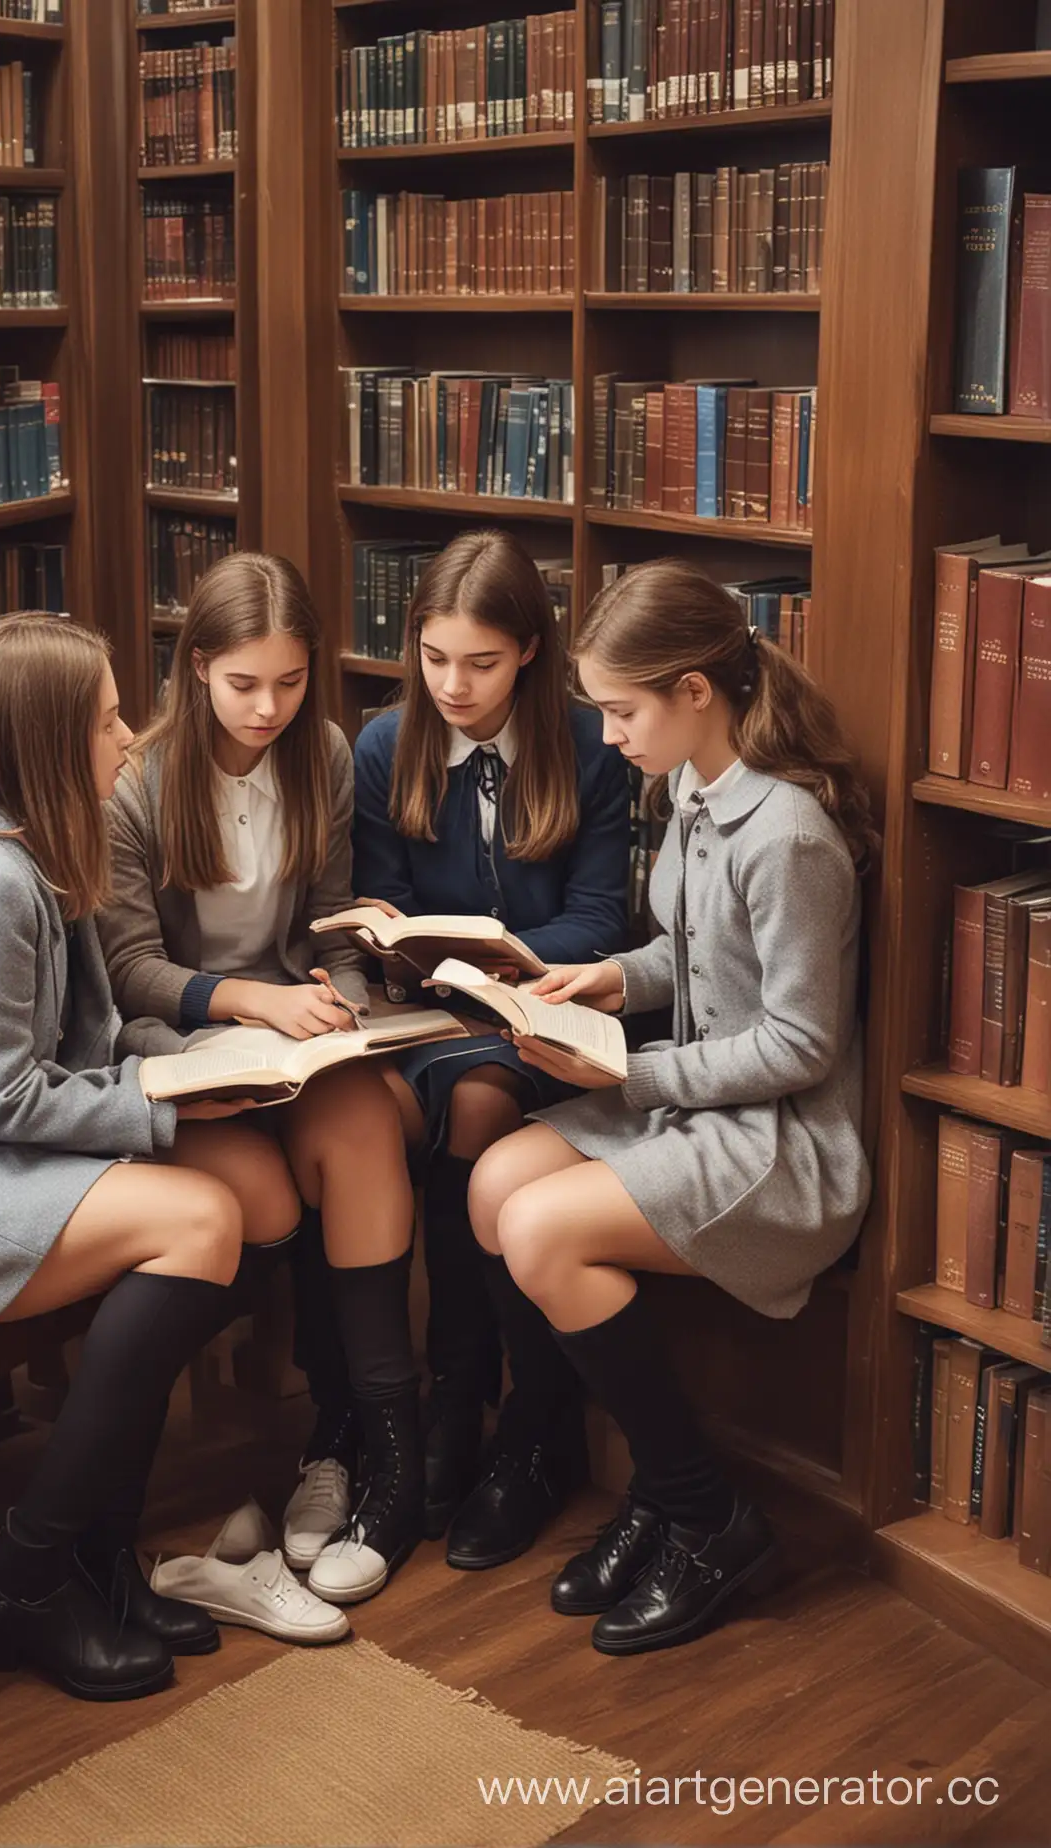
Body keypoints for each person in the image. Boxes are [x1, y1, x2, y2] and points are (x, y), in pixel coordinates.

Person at [0, 614, 301, 1701]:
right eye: (109, 720)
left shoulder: (44, 843)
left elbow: (94, 1037)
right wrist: (165, 1111)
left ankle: (97, 1560)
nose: (131, 737)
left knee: (250, 1194)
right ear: (43, 740)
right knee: (199, 1221)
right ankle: (26, 1576)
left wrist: (212, 1065)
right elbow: (1, 1096)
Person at [468, 557, 875, 1655]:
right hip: (702, 1107)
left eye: (621, 710)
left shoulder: (787, 836)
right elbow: (690, 955)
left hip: (781, 1145)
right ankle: (643, 1481)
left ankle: (701, 1514)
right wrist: (610, 981)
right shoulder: (694, 787)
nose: (608, 737)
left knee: (541, 1229)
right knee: (494, 1180)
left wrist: (630, 1077)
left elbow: (799, 1042)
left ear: (696, 691)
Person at [98, 553, 423, 1605]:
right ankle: (333, 1441)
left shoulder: (321, 753)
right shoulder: (139, 782)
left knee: (367, 1123)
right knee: (290, 1187)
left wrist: (350, 1010)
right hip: (186, 1044)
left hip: (294, 1029)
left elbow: (325, 920)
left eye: (289, 682)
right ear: (197, 669)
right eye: (244, 684)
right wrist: (254, 1005)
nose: (269, 708)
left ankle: (377, 1456)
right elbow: (129, 966)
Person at [352, 529, 632, 1566]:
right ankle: (465, 1407)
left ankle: (481, 1409)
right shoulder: (386, 747)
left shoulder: (590, 744)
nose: (454, 686)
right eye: (433, 659)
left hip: (553, 1004)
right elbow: (386, 915)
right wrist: (407, 953)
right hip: (429, 1019)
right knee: (464, 1093)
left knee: (480, 1102)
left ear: (528, 651)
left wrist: (505, 966)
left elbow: (601, 917)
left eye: (479, 662)